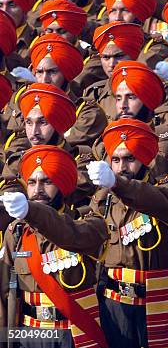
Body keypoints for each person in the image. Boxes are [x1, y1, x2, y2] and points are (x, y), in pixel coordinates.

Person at [0, 145, 109, 347]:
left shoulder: (86, 221)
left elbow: (66, 232)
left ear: (61, 184)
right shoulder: (15, 231)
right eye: (31, 182)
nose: (38, 189)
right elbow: (5, 291)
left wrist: (30, 211)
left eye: (47, 181)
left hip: (73, 332)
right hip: (29, 333)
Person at [89, 118, 168, 348]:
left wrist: (116, 183)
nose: (122, 167)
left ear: (145, 159)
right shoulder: (104, 199)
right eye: (116, 160)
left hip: (156, 302)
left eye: (130, 158)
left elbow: (146, 197)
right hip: (114, 302)